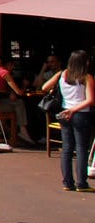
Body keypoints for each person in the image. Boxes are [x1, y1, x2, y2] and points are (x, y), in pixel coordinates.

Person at [40, 50, 94, 192]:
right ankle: (81, 183)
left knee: (67, 148)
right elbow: (90, 100)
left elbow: (44, 87)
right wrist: (74, 109)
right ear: (85, 62)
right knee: (81, 148)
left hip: (64, 113)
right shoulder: (86, 77)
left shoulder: (62, 74)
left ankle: (67, 183)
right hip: (80, 114)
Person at [0, 55, 34, 146]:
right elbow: (19, 92)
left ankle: (10, 133)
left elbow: (0, 89)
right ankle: (22, 130)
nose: (13, 67)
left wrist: (9, 92)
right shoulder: (4, 72)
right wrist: (25, 85)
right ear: (7, 64)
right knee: (19, 103)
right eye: (12, 65)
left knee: (15, 104)